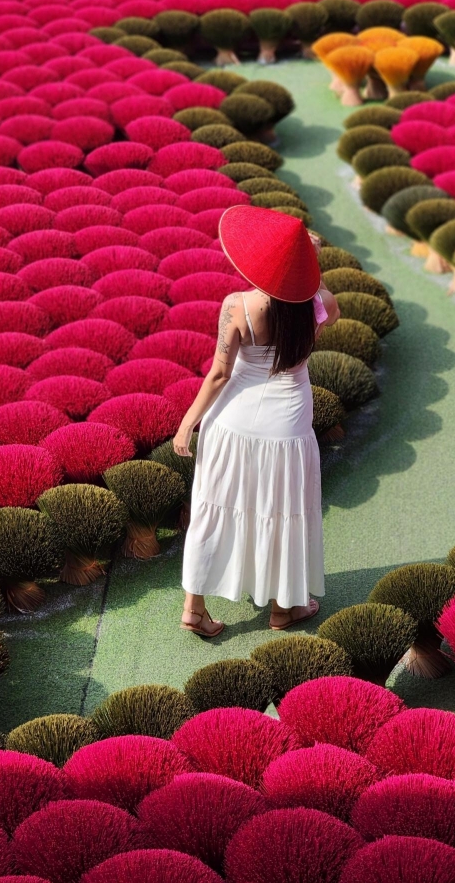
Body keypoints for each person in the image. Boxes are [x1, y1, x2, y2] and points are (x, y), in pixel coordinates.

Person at [173, 205, 340, 638]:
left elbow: (219, 373)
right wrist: (311, 265)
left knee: (213, 508)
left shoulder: (237, 305)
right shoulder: (318, 305)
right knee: (285, 509)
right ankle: (283, 611)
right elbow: (324, 306)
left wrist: (188, 421)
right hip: (287, 424)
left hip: (232, 419)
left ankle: (194, 610)